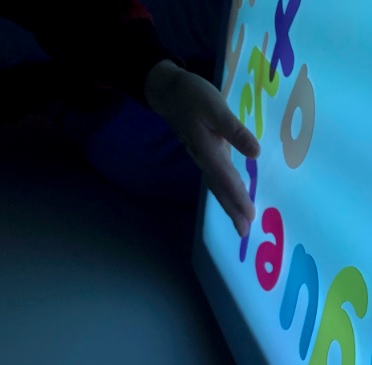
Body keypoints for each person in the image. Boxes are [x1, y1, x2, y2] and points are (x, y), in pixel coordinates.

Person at [0, 0, 258, 238]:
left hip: (117, 25)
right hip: (81, 101)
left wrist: (160, 77)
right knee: (203, 167)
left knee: (223, 15)